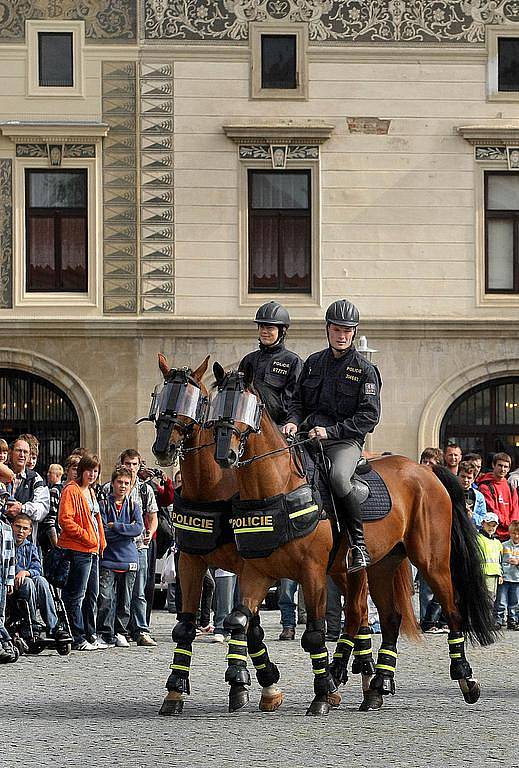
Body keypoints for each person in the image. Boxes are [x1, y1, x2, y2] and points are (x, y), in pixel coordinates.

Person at [283, 298, 381, 572]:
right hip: (309, 435)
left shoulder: (365, 370)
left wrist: (331, 431)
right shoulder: (313, 363)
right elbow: (298, 401)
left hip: (344, 440)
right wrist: (292, 421)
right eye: (337, 329)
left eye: (347, 331)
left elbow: (369, 417)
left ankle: (358, 545)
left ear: (354, 332)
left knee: (338, 478)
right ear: (327, 329)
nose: (342, 335)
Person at [240, 301, 303, 641]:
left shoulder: (292, 362)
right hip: (250, 440)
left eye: (271, 326)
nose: (266, 330)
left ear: (282, 331)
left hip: (281, 435)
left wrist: (292, 422)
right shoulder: (248, 362)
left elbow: (296, 401)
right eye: (262, 326)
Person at [109, 449, 158, 647]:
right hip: (114, 548)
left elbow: (151, 518)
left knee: (138, 591)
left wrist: (149, 533)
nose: (131, 468)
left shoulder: (145, 490)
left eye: (135, 464)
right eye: (128, 464)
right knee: (113, 591)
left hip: (138, 547)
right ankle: (115, 629)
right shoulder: (109, 488)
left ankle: (141, 629)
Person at [58, 453, 106, 651]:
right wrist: (86, 536)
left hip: (92, 550)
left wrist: (101, 540)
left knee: (92, 594)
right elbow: (65, 519)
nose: (92, 474)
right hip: (79, 549)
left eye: (96, 471)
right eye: (89, 470)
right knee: (77, 594)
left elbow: (97, 519)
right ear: (82, 471)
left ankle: (90, 633)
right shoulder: (71, 490)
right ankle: (77, 636)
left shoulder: (91, 492)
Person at [96, 467, 143, 648]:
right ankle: (104, 632)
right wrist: (125, 530)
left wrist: (115, 526)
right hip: (108, 558)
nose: (123, 486)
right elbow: (103, 532)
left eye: (127, 483)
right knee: (106, 598)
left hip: (129, 559)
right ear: (113, 483)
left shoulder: (133, 506)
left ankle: (120, 631)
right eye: (119, 482)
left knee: (125, 600)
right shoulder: (103, 505)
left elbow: (138, 529)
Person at [11, 513, 69, 644]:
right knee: (28, 582)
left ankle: (54, 627)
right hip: (12, 585)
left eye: (24, 528)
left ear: (30, 531)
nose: (20, 531)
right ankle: (30, 624)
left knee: (41, 580)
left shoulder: (31, 547)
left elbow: (37, 569)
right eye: (18, 527)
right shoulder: (6, 544)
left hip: (28, 583)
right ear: (11, 526)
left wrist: (26, 572)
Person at [4, 438, 50, 543]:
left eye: (25, 452)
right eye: (18, 450)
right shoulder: (2, 475)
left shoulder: (35, 479)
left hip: (25, 544)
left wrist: (22, 508)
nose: (22, 455)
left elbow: (42, 509)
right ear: (10, 453)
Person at [477, 452, 519, 542]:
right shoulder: (485, 486)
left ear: (509, 469)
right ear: (493, 465)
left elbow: (515, 509)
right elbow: (492, 509)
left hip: (511, 536)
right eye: (500, 465)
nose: (502, 469)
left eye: (506, 467)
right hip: (494, 534)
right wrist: (508, 524)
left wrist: (513, 527)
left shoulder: (510, 486)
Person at [0, 498, 17, 662]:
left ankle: (5, 642)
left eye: (2, 499)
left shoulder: (6, 527)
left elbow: (11, 556)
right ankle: (6, 641)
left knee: (1, 613)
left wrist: (10, 579)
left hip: (3, 576)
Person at [495, 520, 519, 629]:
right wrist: (500, 574)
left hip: (517, 579)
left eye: (518, 533)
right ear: (510, 533)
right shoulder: (503, 545)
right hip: (505, 578)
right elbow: (498, 561)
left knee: (515, 602)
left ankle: (513, 620)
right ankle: (499, 620)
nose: (516, 536)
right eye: (514, 533)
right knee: (501, 601)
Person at [477, 511, 503, 603]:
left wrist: (500, 574)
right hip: (482, 574)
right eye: (489, 524)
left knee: (492, 599)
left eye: (493, 525)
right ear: (483, 524)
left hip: (494, 574)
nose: (491, 528)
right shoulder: (478, 539)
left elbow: (500, 560)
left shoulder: (497, 542)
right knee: (484, 599)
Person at [458, 460, 486, 528]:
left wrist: (471, 515)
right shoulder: (451, 493)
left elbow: (484, 521)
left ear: (474, 479)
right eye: (463, 476)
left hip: (472, 532)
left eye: (469, 477)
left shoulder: (479, 496)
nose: (466, 480)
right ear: (457, 475)